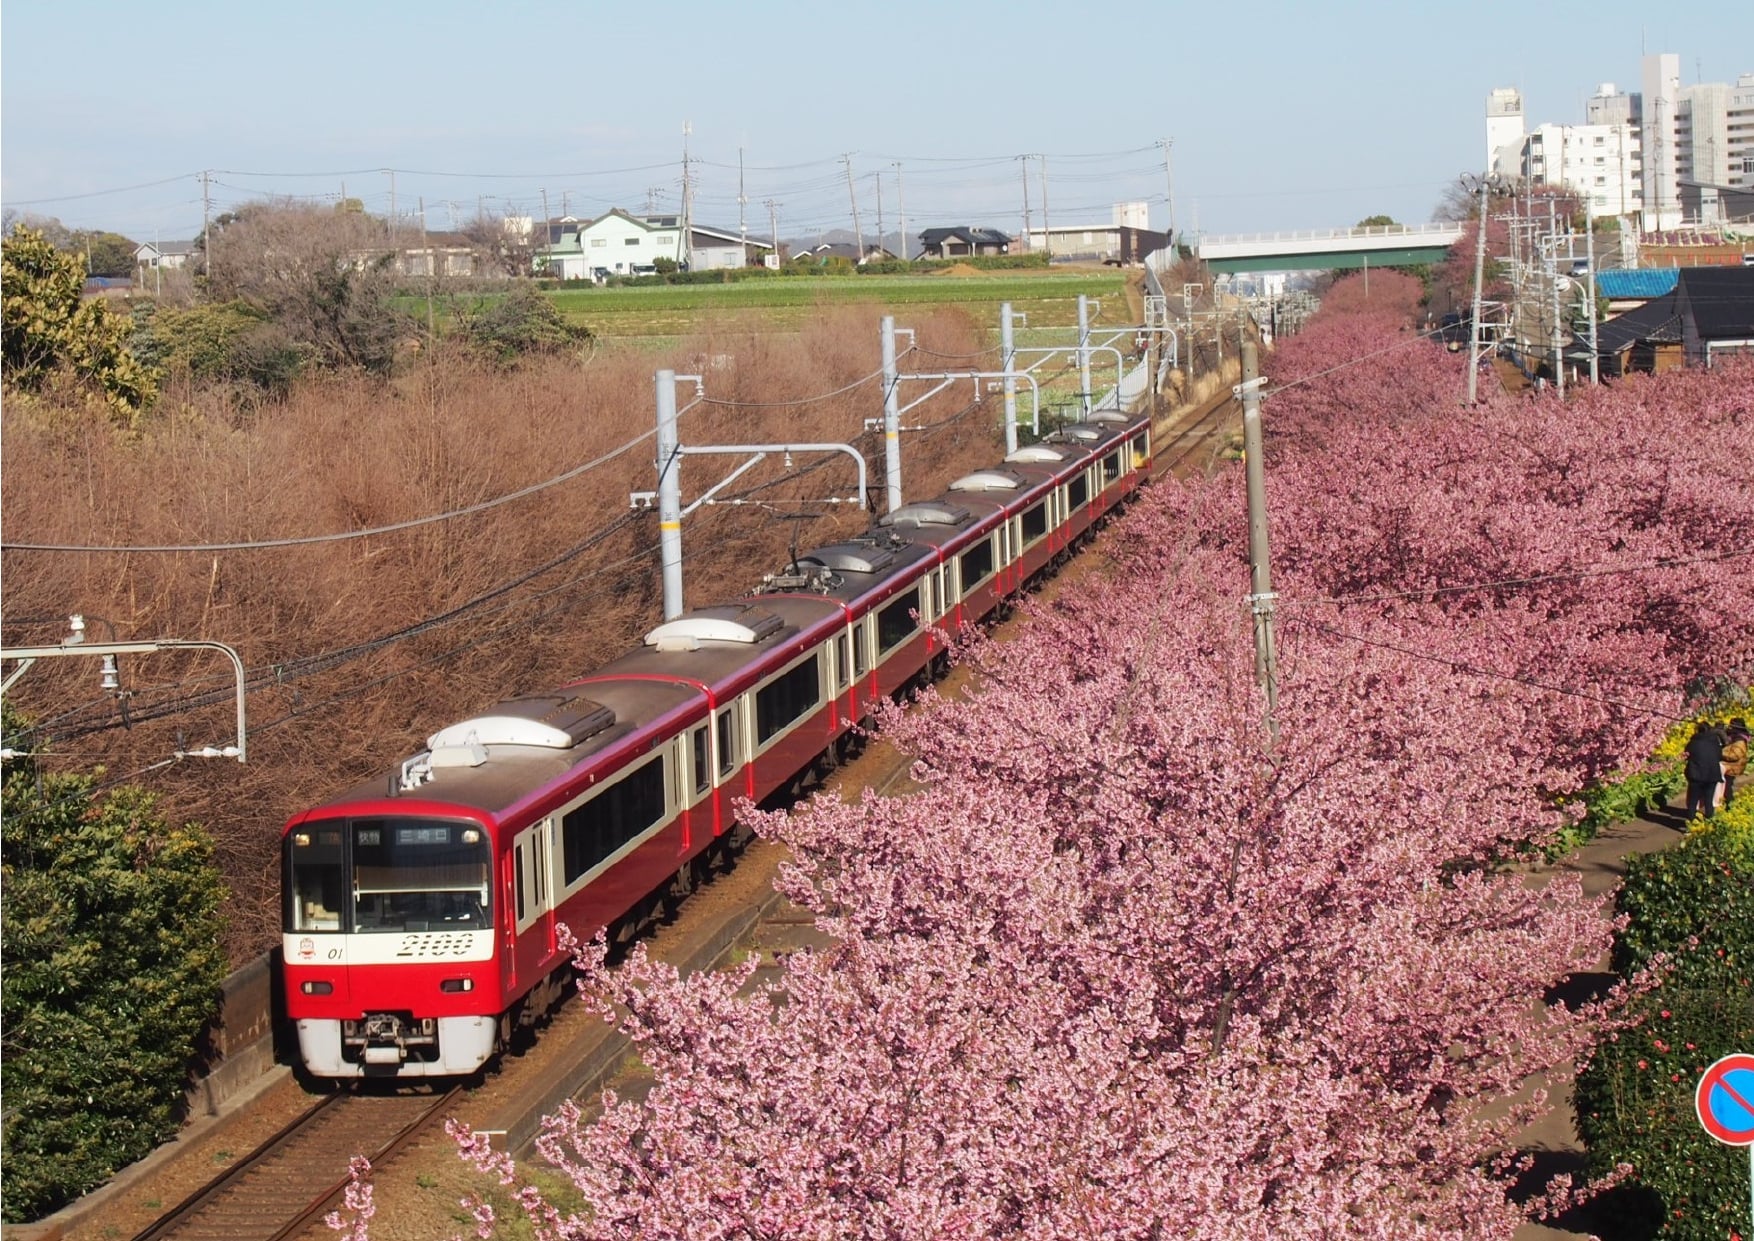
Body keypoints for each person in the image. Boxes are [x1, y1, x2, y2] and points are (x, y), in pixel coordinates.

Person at [1683, 719, 1726, 820]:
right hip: (1712, 774)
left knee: (1693, 801)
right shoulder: (1714, 741)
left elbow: (1686, 755)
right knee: (1708, 800)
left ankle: (1691, 823)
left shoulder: (1693, 742)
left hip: (1696, 774)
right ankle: (1709, 822)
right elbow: (1719, 756)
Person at [1721, 718, 1750, 807]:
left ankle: (1729, 805)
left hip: (1733, 766)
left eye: (1732, 725)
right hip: (1728, 765)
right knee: (1725, 786)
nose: (1730, 727)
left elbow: (1735, 755)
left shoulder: (1740, 739)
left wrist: (1719, 753)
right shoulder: (1732, 735)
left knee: (1727, 787)